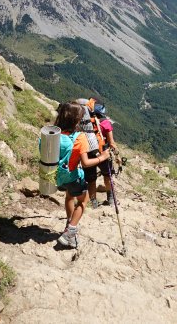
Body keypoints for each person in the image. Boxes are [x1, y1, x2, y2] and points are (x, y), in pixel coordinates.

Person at [54, 102, 109, 248]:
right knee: (83, 201)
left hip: (58, 176)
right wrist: (102, 158)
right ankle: (69, 233)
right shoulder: (80, 137)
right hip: (72, 176)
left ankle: (69, 222)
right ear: (76, 120)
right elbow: (85, 163)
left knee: (69, 197)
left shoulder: (55, 133)